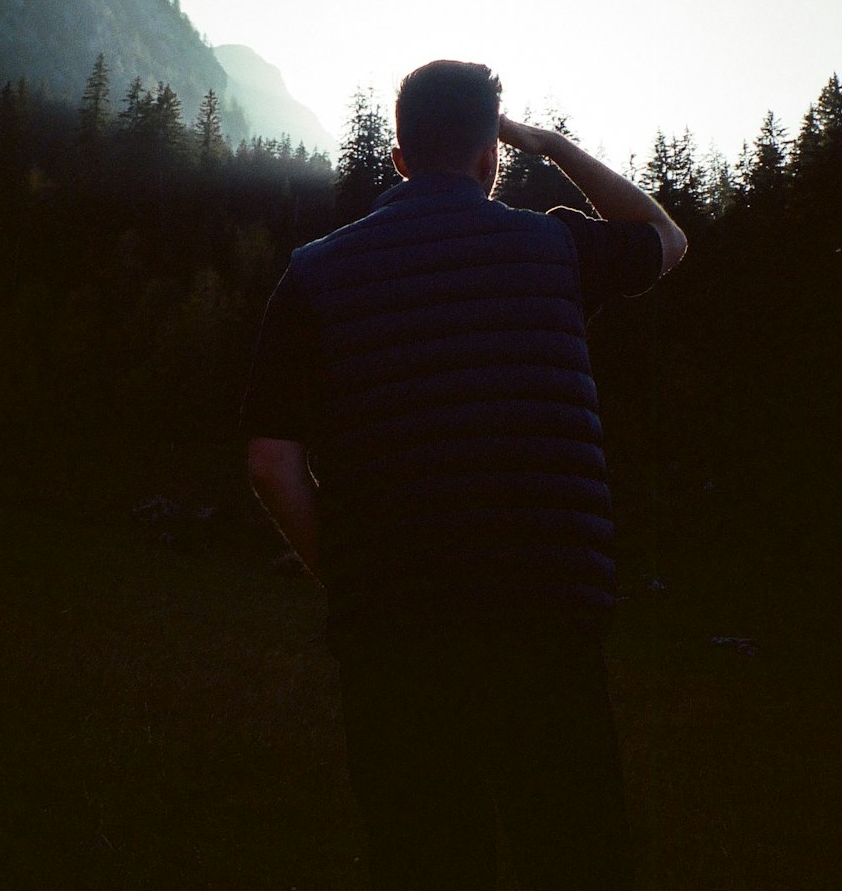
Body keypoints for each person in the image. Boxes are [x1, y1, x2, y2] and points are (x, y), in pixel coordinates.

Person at [245, 60, 687, 890]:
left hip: (395, 629)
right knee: (573, 853)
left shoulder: (313, 272)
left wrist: (346, 574)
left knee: (426, 858)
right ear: (491, 156)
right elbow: (668, 241)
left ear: (400, 156)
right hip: (546, 614)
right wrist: (549, 145)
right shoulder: (555, 248)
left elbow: (271, 462)